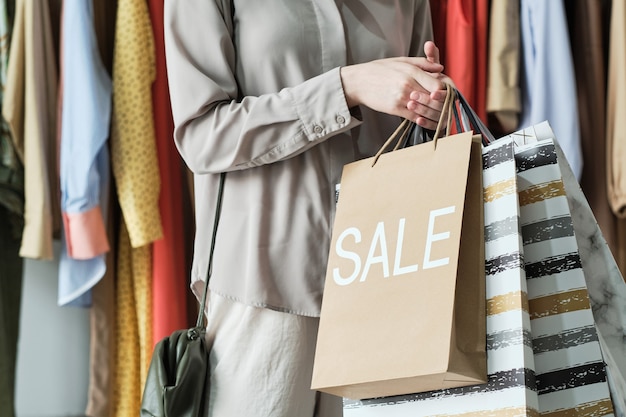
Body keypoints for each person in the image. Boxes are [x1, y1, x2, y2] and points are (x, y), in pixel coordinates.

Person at [163, 1, 447, 416]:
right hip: (266, 289)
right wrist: (345, 87)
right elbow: (202, 134)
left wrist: (430, 106)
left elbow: (414, 121)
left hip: (383, 273)